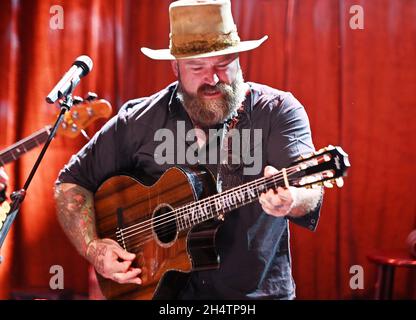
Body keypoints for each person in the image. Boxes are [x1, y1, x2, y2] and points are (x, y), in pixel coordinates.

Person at [55, 0, 323, 300]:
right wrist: (93, 248)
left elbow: (309, 186)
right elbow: (71, 182)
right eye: (197, 68)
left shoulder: (277, 111)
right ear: (175, 67)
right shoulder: (137, 120)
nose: (213, 79)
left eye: (224, 64)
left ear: (238, 59)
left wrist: (293, 199)